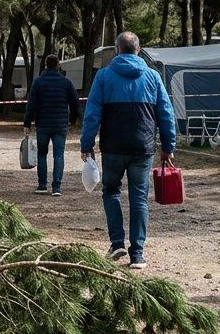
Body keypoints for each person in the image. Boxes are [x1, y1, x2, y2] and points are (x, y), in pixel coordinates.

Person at [80, 32, 176, 269]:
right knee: (139, 198)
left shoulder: (103, 77)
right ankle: (138, 254)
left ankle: (116, 243)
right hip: (142, 147)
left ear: (117, 49)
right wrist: (168, 146)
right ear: (139, 49)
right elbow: (166, 114)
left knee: (111, 192)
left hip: (112, 147)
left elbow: (92, 114)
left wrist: (86, 144)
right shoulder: (153, 77)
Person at [23, 54, 81, 196]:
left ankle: (42, 185)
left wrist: (27, 123)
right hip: (61, 124)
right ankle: (57, 187)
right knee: (58, 155)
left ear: (45, 66)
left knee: (42, 154)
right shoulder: (66, 82)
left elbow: (31, 105)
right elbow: (75, 103)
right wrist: (72, 120)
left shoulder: (38, 82)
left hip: (43, 124)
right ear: (58, 66)